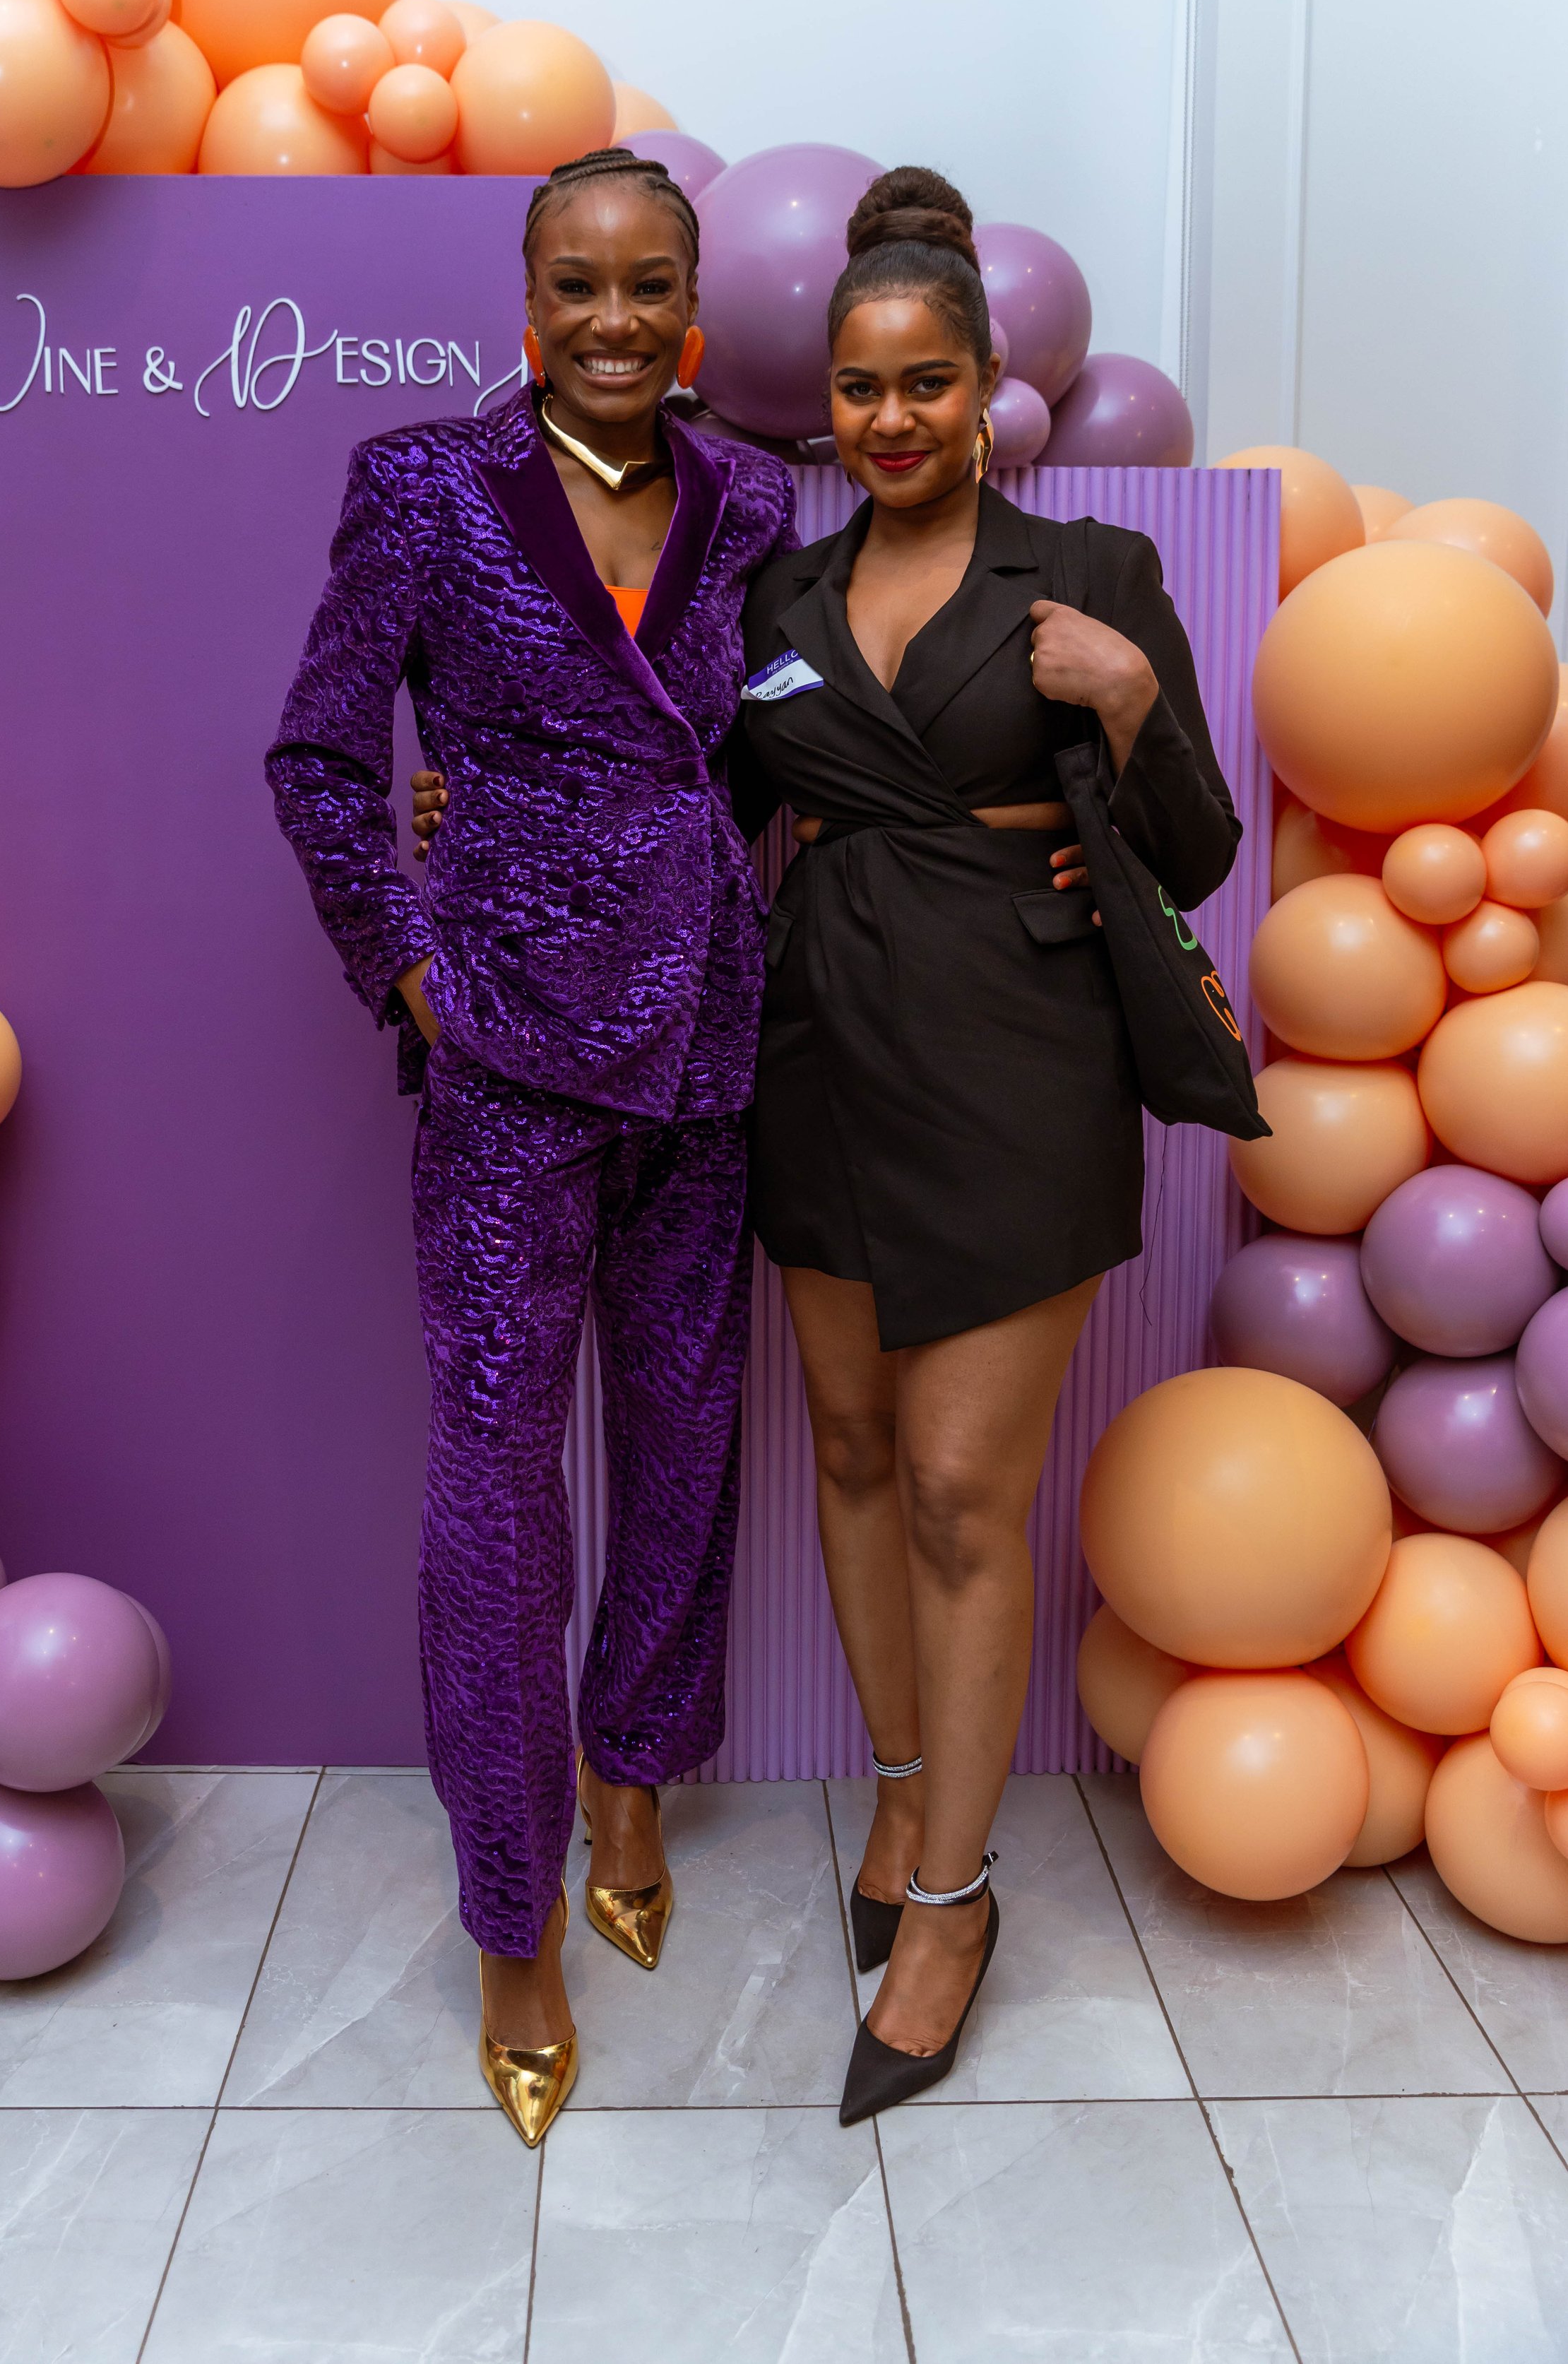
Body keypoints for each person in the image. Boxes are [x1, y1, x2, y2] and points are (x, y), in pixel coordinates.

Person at [267, 146, 795, 2146]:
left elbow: (768, 745)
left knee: (684, 1428)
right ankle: (510, 1919)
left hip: (710, 1049)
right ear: (526, 296)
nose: (612, 319)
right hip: (501, 1052)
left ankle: (634, 1780)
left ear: (687, 307)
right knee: (494, 1487)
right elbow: (324, 751)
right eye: (575, 283)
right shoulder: (426, 485)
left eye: (646, 285)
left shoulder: (750, 498)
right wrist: (410, 968)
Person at [736, 166, 1240, 2120]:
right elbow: (691, 804)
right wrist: (487, 826)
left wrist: (1124, 707)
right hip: (819, 1046)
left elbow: (1189, 853)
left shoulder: (1089, 581)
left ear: (989, 384)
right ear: (827, 402)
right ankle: (893, 1802)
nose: (889, 421)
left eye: (925, 384)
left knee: (959, 1489)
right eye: (860, 390)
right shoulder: (777, 594)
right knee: (851, 1446)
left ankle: (951, 1897)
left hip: (1017, 1062)